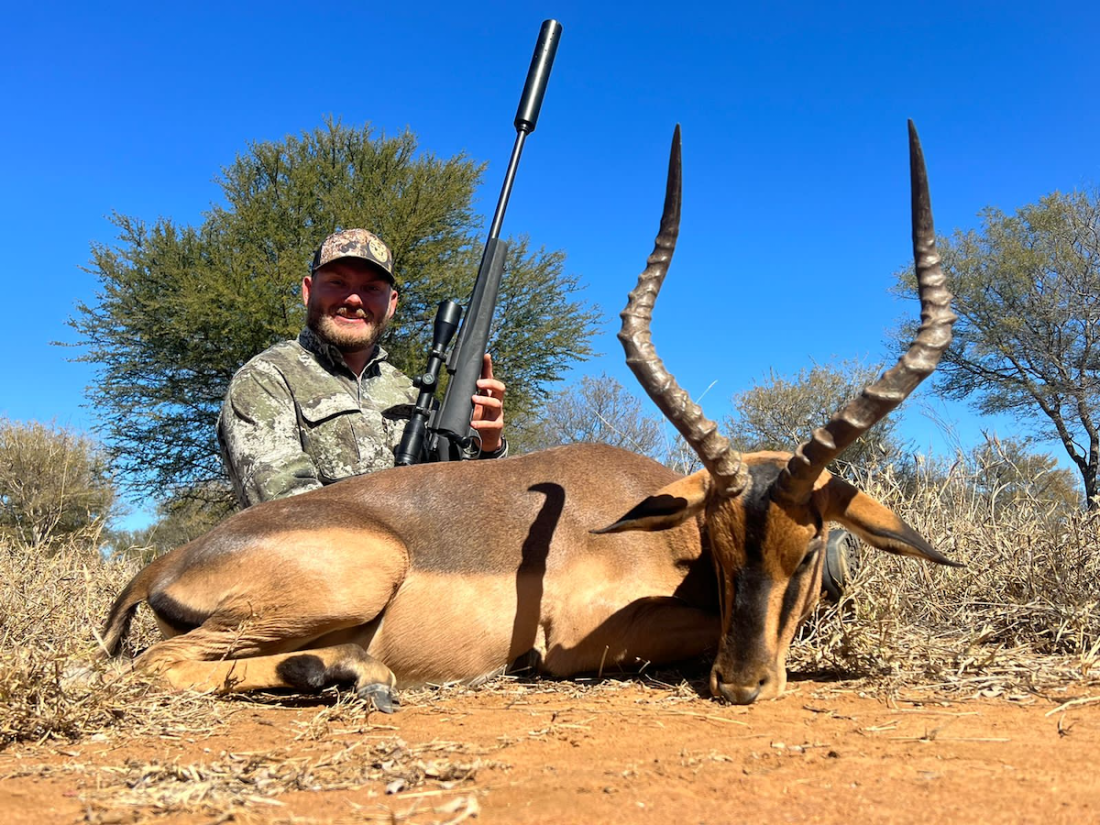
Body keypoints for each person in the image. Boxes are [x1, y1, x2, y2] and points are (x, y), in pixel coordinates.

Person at [218, 228, 507, 508]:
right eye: (337, 283)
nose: (354, 299)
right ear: (308, 290)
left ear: (391, 303)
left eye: (371, 288)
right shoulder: (266, 378)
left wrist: (487, 447)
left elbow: (465, 503)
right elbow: (290, 516)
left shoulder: (409, 391)